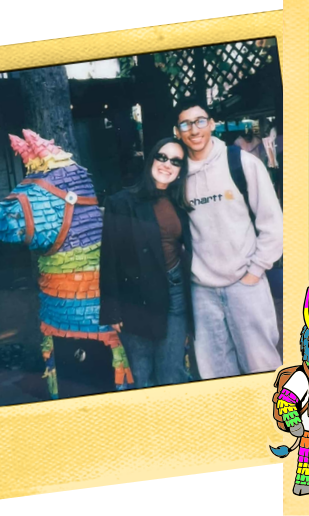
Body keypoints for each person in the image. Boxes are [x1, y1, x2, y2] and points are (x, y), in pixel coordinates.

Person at [176, 98, 283, 378]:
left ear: (211, 124)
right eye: (185, 124)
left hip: (246, 283)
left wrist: (255, 271)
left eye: (200, 121)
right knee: (215, 372)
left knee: (262, 366)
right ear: (178, 132)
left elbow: (272, 223)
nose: (194, 130)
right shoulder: (178, 176)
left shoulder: (242, 163)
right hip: (202, 291)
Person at [99, 137, 193, 388]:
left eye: (175, 161)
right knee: (142, 376)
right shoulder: (121, 202)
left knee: (171, 373)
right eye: (162, 157)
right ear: (152, 158)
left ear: (181, 170)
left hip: (174, 293)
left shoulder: (181, 203)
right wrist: (112, 309)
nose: (167, 164)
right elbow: (109, 257)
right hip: (136, 298)